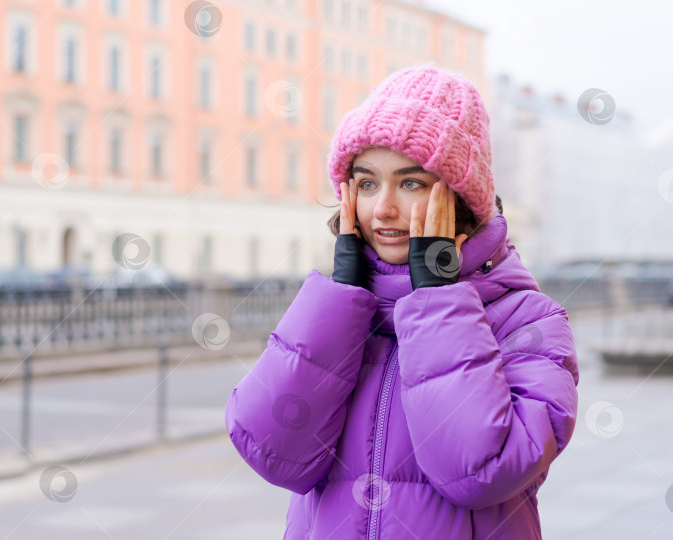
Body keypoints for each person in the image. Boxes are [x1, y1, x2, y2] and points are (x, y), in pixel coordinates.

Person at [224, 62, 579, 539]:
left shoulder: (530, 321)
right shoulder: (343, 312)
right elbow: (272, 450)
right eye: (367, 183)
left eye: (410, 183)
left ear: (461, 198)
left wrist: (437, 298)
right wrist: (341, 299)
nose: (383, 209)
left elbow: (482, 471)